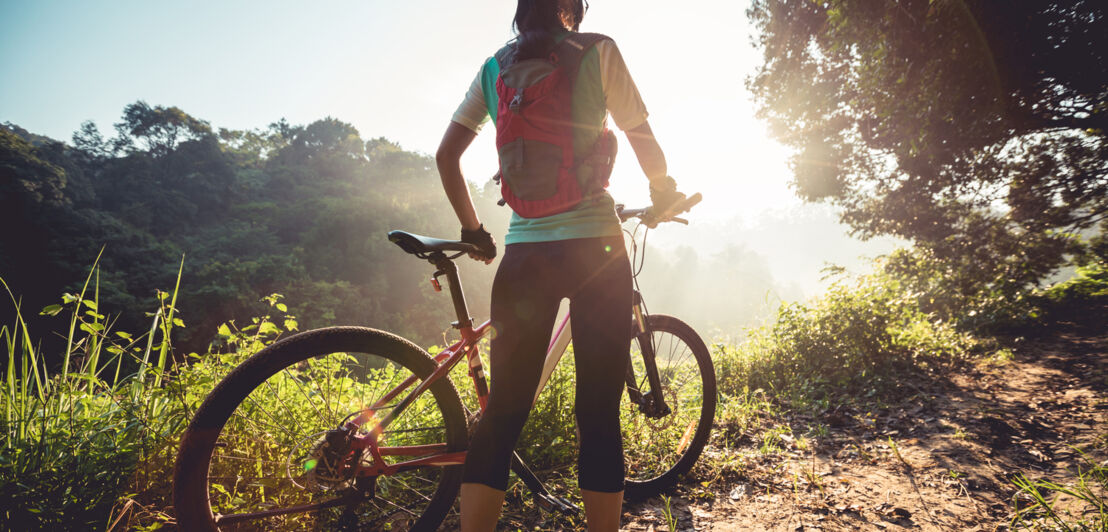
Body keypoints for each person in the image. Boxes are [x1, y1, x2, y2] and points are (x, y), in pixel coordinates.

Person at [435, 1, 687, 530]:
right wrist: (664, 191)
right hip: (596, 249)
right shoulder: (598, 50)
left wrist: (473, 229)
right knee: (597, 412)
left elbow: (447, 155)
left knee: (502, 413)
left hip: (525, 254)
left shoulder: (494, 66)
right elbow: (640, 135)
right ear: (572, 8)